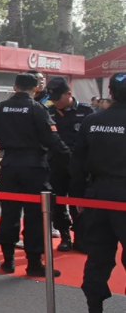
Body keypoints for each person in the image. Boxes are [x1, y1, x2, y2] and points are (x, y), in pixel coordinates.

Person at [0, 72, 70, 277]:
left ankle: (8, 259)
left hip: (9, 166)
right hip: (34, 168)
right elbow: (52, 139)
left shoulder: (1, 109)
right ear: (35, 88)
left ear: (15, 87)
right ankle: (34, 263)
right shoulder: (37, 109)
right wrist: (70, 161)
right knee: (35, 216)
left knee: (9, 214)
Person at [70, 72, 126, 313]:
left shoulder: (92, 121)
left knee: (97, 258)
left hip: (97, 195)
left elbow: (77, 162)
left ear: (110, 93)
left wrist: (78, 196)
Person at [44, 76, 93, 252]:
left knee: (78, 203)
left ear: (68, 94)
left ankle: (80, 237)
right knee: (57, 203)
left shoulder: (86, 112)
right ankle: (65, 236)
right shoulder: (48, 113)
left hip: (79, 167)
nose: (55, 102)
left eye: (58, 98)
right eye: (52, 99)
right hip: (56, 166)